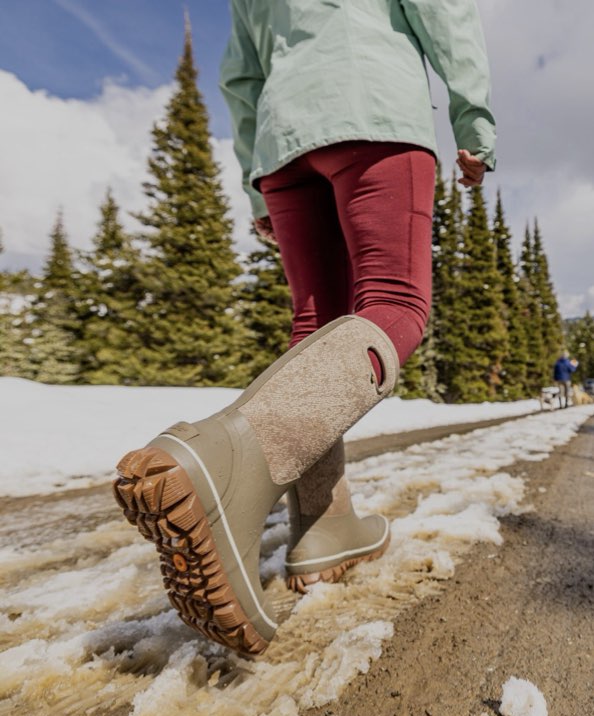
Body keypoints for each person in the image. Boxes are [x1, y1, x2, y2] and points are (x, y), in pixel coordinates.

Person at [114, 0, 496, 655]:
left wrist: (256, 184)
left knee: (317, 325)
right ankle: (226, 463)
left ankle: (325, 525)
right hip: (374, 109)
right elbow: (443, 11)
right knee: (396, 305)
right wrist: (474, 117)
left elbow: (241, 79)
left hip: (283, 148)